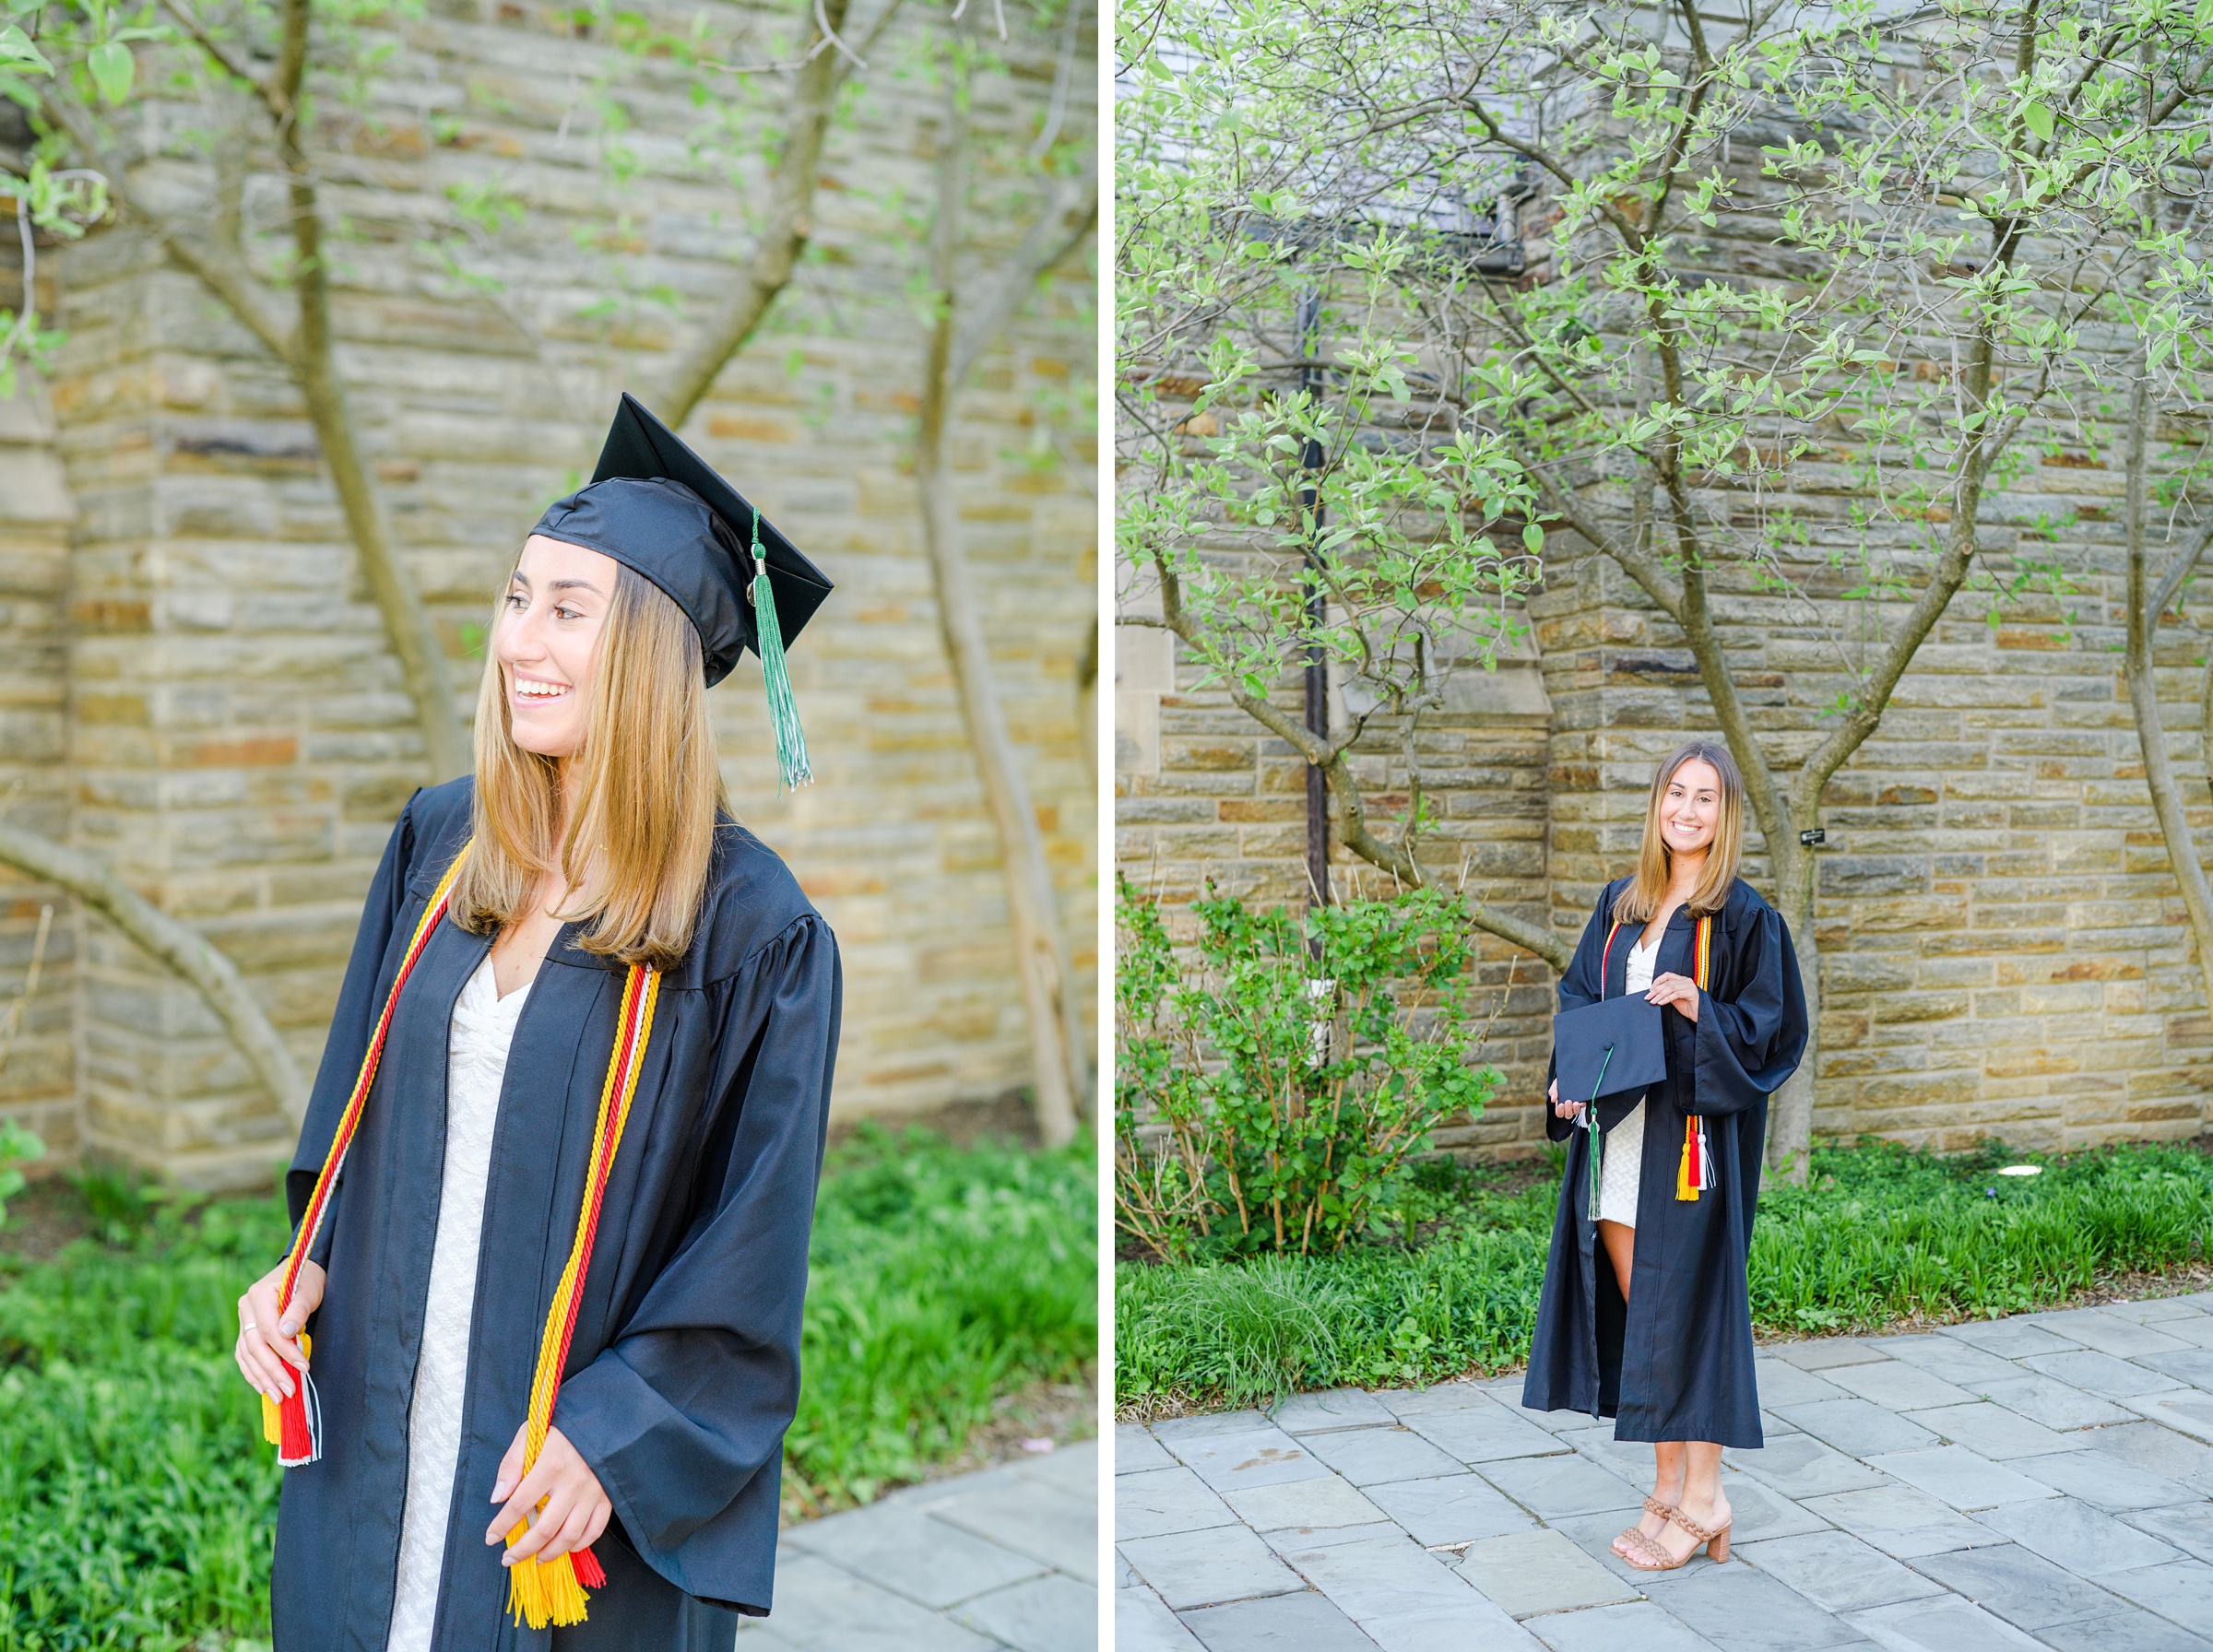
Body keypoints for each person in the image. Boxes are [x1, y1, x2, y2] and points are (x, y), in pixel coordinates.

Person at [231, 394, 843, 1648]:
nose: (522, 639)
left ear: (656, 660)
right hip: (383, 1412)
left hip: (552, 1485)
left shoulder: (753, 933)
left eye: (570, 610)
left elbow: (751, 1246)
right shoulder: (441, 845)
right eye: (519, 598)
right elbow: (362, 1104)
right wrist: (307, 1269)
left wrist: (621, 1435)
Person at [1521, 739, 1807, 1572]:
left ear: (1727, 814)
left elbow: (1774, 1033)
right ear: (1657, 805)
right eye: (1675, 793)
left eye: (1705, 797)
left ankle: (1707, 1496)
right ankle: (1669, 1487)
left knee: (1690, 1316)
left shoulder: (1745, 917)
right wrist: (1566, 1082)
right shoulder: (1620, 903)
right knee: (1646, 1316)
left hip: (1689, 1147)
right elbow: (1581, 999)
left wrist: (1698, 1005)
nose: (1687, 809)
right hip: (1616, 1138)